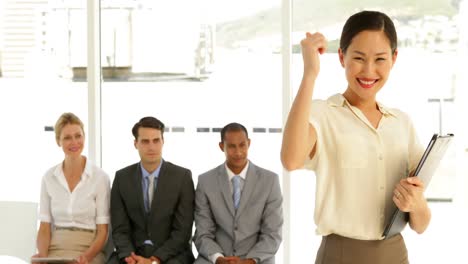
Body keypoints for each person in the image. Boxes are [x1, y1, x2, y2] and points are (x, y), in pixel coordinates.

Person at [280, 10, 430, 264]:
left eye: (380, 59)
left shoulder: (402, 124)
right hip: (340, 255)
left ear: (394, 58)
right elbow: (291, 160)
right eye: (359, 58)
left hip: (396, 254)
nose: (369, 71)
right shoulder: (323, 113)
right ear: (341, 56)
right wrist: (309, 74)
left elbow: (421, 224)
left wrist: (416, 205)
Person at [108, 116, 195, 264]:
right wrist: (131, 258)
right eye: (145, 141)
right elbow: (120, 229)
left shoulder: (182, 177)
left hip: (172, 255)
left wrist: (155, 260)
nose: (151, 147)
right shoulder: (121, 178)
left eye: (156, 140)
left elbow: (183, 231)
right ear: (136, 144)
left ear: (163, 141)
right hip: (133, 255)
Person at [194, 122, 283, 264]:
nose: (238, 152)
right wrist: (218, 258)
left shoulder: (270, 181)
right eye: (231, 146)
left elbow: (272, 234)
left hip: (257, 259)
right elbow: (202, 233)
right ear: (221, 146)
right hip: (217, 258)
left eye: (242, 145)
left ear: (249, 143)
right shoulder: (205, 181)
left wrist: (249, 261)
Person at [33, 112, 110, 264]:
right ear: (58, 141)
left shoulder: (100, 178)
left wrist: (86, 257)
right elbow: (44, 227)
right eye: (67, 138)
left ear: (84, 137)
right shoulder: (49, 178)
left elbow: (103, 232)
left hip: (89, 249)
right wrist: (41, 256)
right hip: (55, 248)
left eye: (78, 136)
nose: (74, 142)